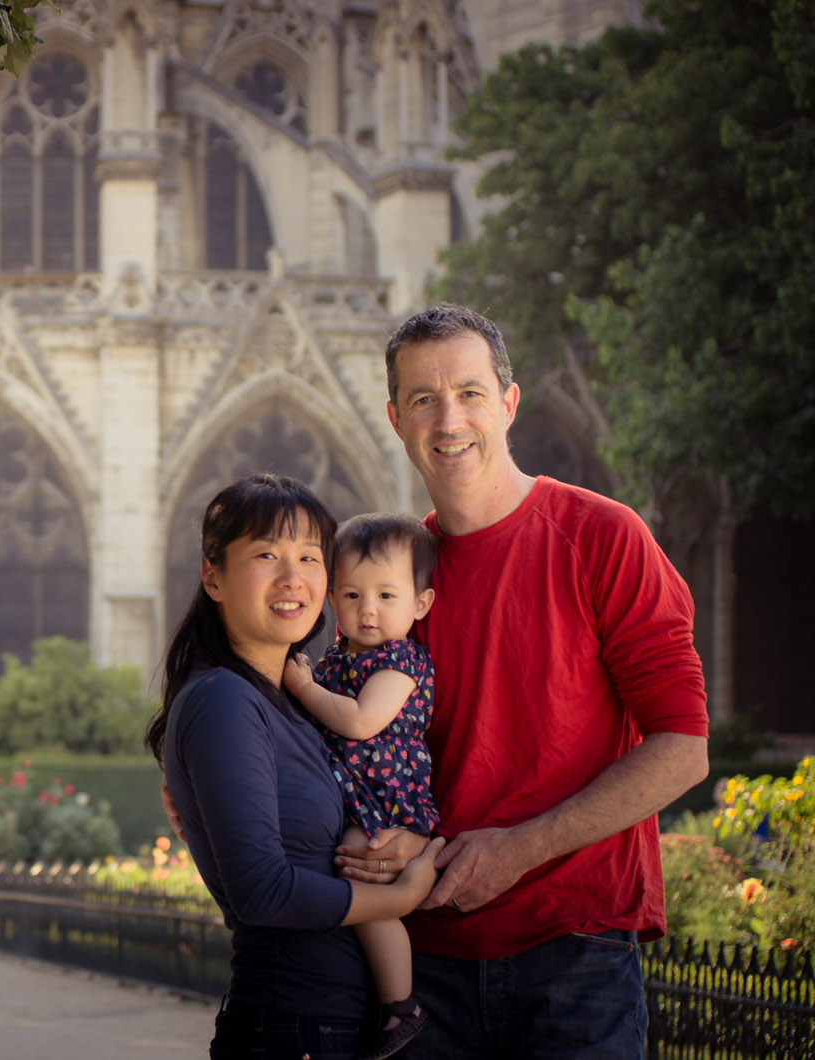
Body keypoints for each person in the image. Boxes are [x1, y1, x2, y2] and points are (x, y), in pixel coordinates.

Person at [353, 303, 711, 1056]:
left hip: (575, 956)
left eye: (470, 393)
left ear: (508, 403)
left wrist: (519, 849)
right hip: (425, 971)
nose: (449, 420)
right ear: (396, 419)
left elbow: (683, 747)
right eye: (424, 399)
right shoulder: (395, 577)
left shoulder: (602, 536)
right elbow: (352, 734)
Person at [145, 472, 445, 1060]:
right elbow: (263, 892)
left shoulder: (285, 700)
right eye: (265, 555)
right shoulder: (225, 700)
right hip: (295, 1025)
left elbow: (325, 834)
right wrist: (398, 899)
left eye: (310, 557)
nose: (292, 579)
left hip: (324, 1023)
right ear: (213, 576)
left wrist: (400, 847)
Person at [281, 512, 440, 1059]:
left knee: (362, 871)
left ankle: (401, 1004)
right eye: (351, 594)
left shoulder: (401, 661)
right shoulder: (337, 660)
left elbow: (359, 722)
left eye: (386, 595)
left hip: (385, 797)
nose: (367, 609)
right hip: (354, 789)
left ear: (421, 604)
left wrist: (303, 690)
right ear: (331, 600)